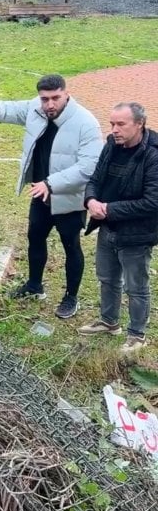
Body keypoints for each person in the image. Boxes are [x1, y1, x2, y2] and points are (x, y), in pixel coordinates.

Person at [0, 74, 103, 319]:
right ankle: (35, 286)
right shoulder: (36, 109)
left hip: (69, 197)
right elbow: (14, 109)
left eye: (55, 98)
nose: (50, 105)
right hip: (40, 193)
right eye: (45, 99)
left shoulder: (86, 123)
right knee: (35, 237)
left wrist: (51, 183)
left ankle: (70, 297)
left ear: (66, 94)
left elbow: (89, 167)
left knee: (71, 246)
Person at [78, 103, 158, 353]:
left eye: (121, 124)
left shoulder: (153, 155)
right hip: (107, 227)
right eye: (112, 124)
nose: (114, 129)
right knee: (107, 278)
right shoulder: (112, 145)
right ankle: (109, 321)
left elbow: (152, 201)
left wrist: (109, 209)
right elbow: (95, 179)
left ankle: (137, 335)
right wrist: (91, 200)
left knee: (136, 286)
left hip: (136, 234)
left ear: (139, 124)